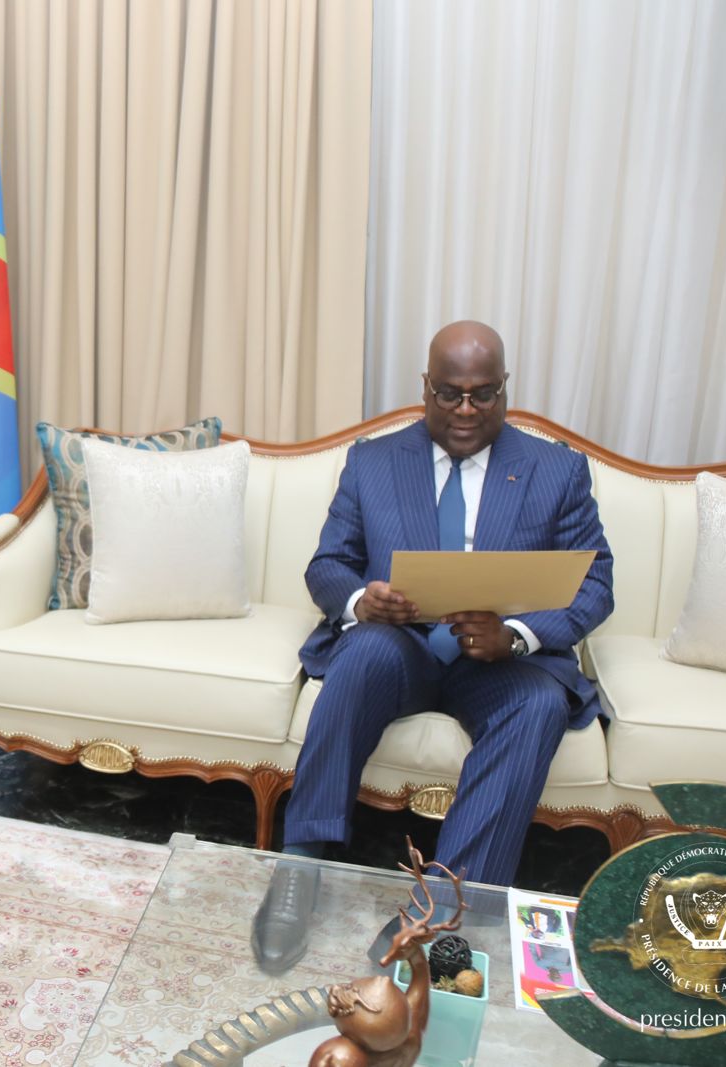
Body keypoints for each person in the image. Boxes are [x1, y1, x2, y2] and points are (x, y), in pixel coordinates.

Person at [252, 320, 613, 973]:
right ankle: (298, 868)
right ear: (426, 389)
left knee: (538, 705)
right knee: (361, 652)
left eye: (483, 394)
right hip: (404, 647)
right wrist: (364, 601)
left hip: (500, 661)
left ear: (505, 390)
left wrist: (520, 633)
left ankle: (445, 908)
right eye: (450, 395)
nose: (467, 411)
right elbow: (327, 566)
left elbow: (595, 584)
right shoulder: (373, 461)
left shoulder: (557, 471)